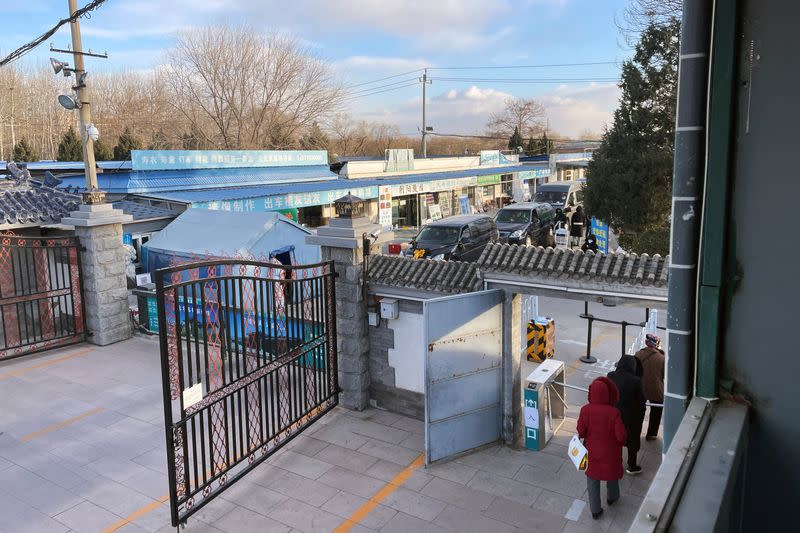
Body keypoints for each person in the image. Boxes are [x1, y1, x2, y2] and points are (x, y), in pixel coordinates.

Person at [577, 376, 627, 520]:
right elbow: (621, 436)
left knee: (592, 480)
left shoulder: (585, 410)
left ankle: (595, 510)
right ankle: (612, 497)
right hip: (610, 453)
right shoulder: (614, 412)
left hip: (592, 451)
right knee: (611, 476)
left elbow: (581, 432)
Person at [607, 355, 647, 474]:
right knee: (632, 440)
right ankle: (631, 466)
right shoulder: (636, 381)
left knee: (615, 439)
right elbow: (641, 400)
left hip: (613, 415)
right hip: (631, 417)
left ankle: (615, 463)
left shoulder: (611, 376)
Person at [635, 333, 666, 441]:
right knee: (656, 411)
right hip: (656, 390)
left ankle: (636, 431)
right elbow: (664, 375)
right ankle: (652, 434)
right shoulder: (662, 358)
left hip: (640, 388)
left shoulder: (638, 354)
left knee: (638, 410)